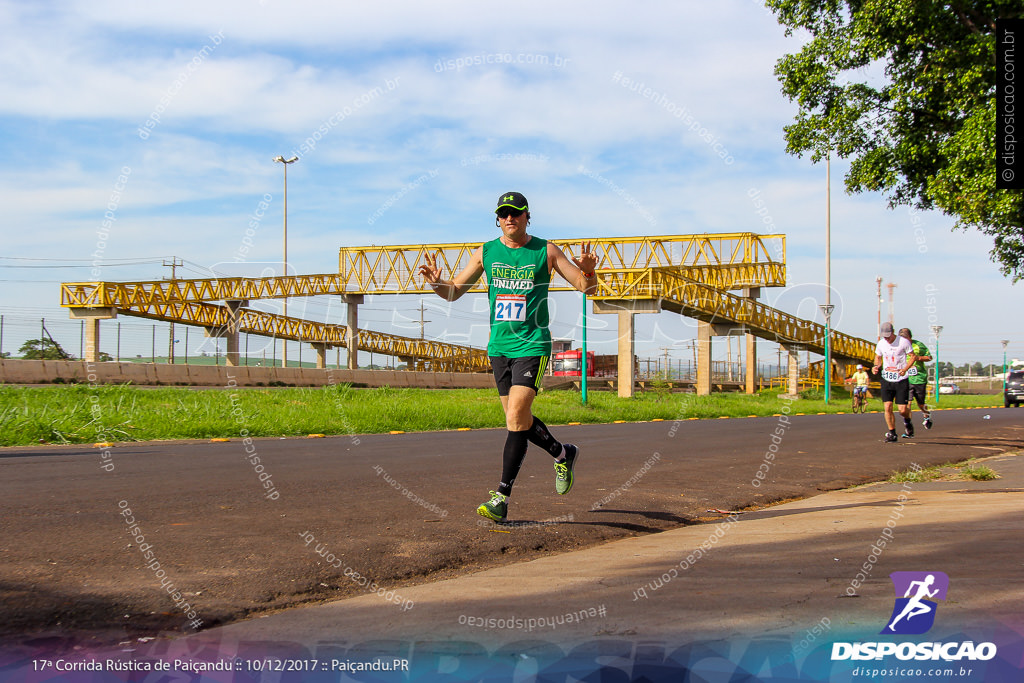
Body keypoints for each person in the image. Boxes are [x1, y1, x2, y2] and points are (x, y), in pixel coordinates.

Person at [418, 191, 598, 522]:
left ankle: (501, 497)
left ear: (528, 217)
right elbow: (454, 292)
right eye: (504, 214)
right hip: (499, 348)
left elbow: (587, 289)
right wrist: (436, 283)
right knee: (518, 421)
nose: (509, 218)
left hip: (532, 345)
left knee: (516, 416)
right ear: (498, 219)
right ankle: (562, 452)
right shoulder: (485, 252)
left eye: (516, 213)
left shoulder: (546, 251)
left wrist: (588, 272)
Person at [872, 322, 917, 442]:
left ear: (893, 332)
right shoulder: (881, 344)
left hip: (901, 379)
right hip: (887, 379)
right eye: (884, 336)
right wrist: (876, 366)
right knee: (888, 407)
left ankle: (907, 421)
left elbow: (912, 356)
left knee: (902, 410)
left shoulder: (903, 342)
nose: (886, 338)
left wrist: (905, 369)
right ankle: (892, 433)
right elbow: (878, 357)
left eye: (888, 335)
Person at [899, 327, 933, 430]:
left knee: (920, 404)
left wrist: (918, 358)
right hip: (906, 379)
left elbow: (929, 357)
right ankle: (908, 427)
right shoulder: (899, 347)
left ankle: (927, 415)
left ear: (910, 337)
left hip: (919, 378)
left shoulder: (918, 345)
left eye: (905, 338)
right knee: (907, 404)